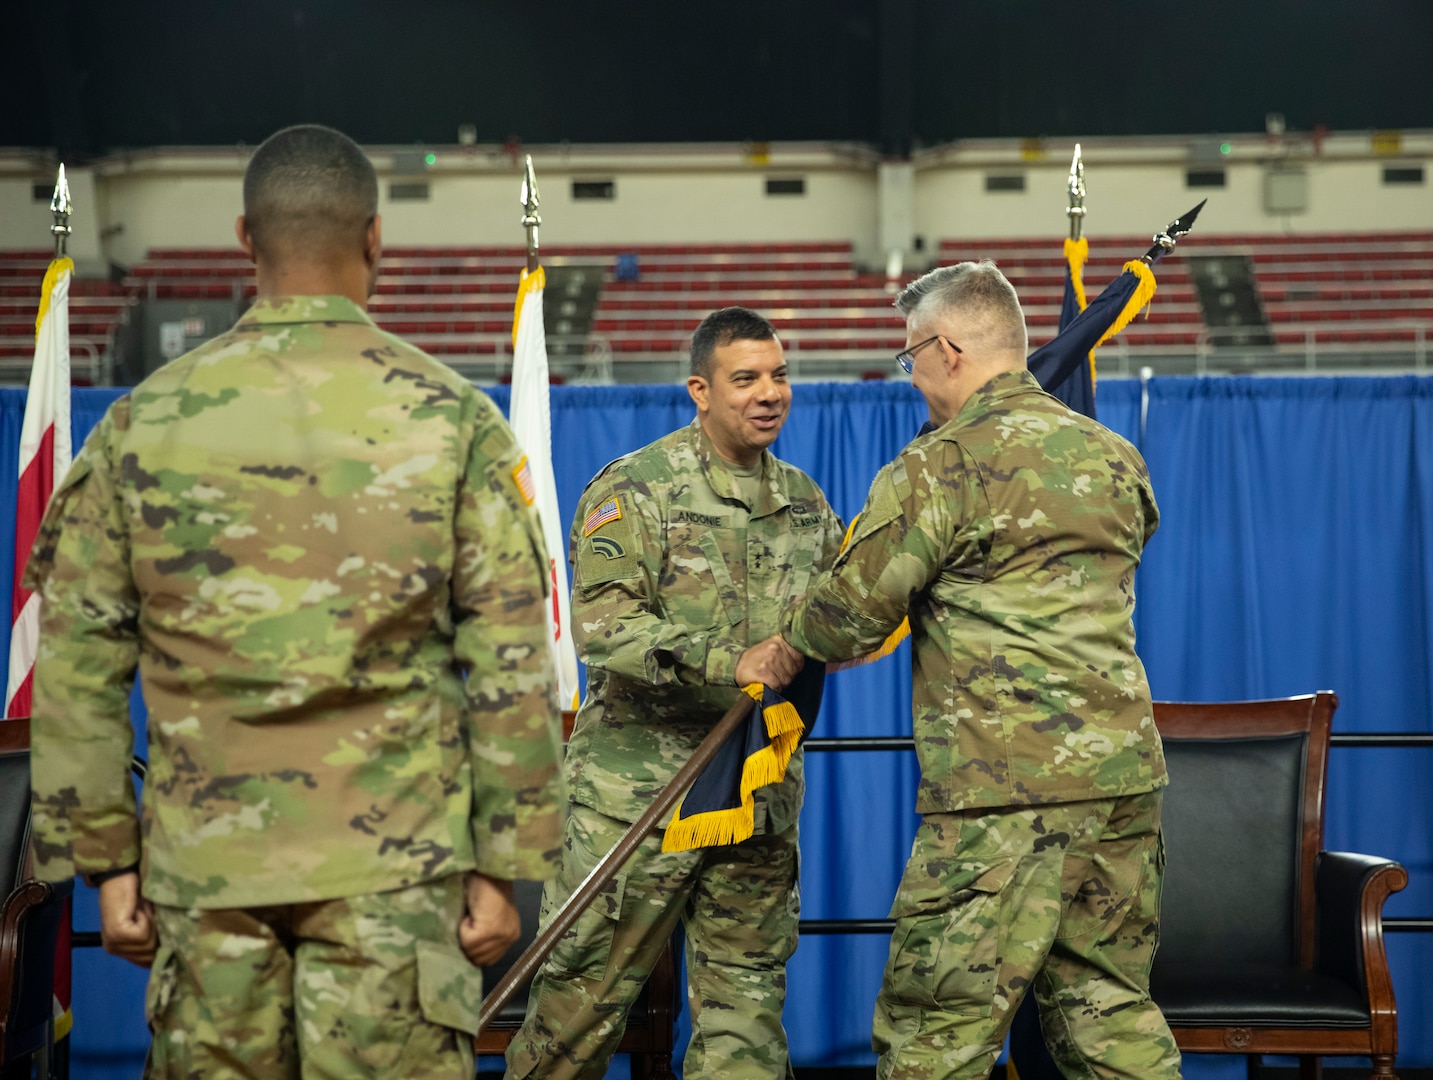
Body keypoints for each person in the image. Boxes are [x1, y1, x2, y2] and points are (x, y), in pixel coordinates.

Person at [25, 124, 565, 1078]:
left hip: (205, 875)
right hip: (398, 884)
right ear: (375, 242)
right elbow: (509, 661)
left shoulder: (141, 424)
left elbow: (76, 660)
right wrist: (505, 863)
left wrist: (106, 864)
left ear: (245, 239)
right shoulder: (452, 423)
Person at [777, 262, 1181, 1080]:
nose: (911, 375)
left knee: (937, 1036)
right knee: (1111, 1018)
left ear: (948, 348)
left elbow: (847, 618)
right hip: (1120, 785)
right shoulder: (1114, 456)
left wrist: (789, 629)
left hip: (1001, 797)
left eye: (909, 357)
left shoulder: (939, 467)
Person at [505, 307, 842, 1080]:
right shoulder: (637, 488)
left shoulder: (805, 501)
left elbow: (829, 619)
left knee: (746, 1017)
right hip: (638, 799)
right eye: (746, 378)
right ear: (700, 389)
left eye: (780, 375)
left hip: (753, 795)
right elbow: (603, 628)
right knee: (577, 1009)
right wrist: (731, 660)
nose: (769, 394)